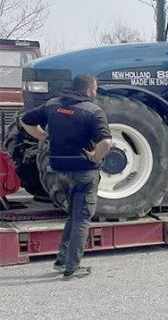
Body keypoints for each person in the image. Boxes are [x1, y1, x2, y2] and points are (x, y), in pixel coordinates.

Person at [20, 74, 112, 279]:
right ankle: (72, 267)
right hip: (83, 172)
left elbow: (25, 121)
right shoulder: (93, 111)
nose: (95, 93)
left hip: (58, 171)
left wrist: (44, 137)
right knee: (82, 218)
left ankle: (62, 259)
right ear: (88, 90)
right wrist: (95, 157)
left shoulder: (53, 105)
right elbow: (106, 142)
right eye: (95, 89)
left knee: (73, 214)